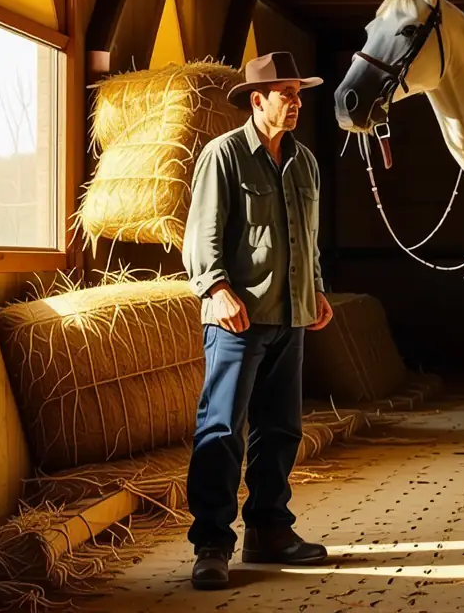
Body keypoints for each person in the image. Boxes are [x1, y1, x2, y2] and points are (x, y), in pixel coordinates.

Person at [181, 51, 335, 590]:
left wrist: (314, 288)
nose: (295, 104)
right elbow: (202, 232)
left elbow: (306, 236)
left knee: (281, 430)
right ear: (257, 99)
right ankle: (211, 545)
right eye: (286, 94)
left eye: (299, 94)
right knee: (222, 430)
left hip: (290, 316)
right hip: (238, 318)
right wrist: (215, 287)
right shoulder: (222, 156)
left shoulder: (306, 162)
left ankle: (270, 531)